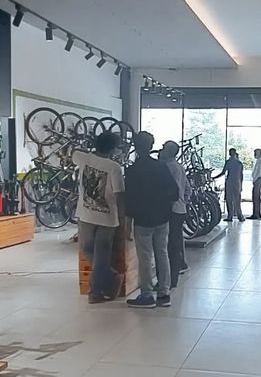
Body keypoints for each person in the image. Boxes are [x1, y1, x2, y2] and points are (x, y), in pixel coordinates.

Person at [125, 131, 178, 308]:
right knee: (162, 253)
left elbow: (130, 199)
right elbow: (174, 192)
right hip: (162, 218)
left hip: (143, 220)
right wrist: (165, 207)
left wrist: (128, 224)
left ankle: (147, 295)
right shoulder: (161, 167)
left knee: (145, 257)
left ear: (135, 147)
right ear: (152, 145)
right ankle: (164, 293)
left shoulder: (133, 171)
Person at [73, 132, 124, 304]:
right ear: (113, 149)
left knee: (89, 250)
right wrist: (123, 218)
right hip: (107, 219)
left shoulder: (83, 158)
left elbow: (74, 151)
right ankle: (111, 277)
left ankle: (95, 292)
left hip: (86, 215)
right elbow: (119, 195)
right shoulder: (114, 167)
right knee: (100, 254)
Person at [160, 140, 191, 288]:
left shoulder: (167, 167)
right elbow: (188, 189)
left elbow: (168, 189)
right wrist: (183, 201)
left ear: (168, 151)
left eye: (164, 148)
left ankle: (170, 279)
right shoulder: (179, 167)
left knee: (169, 245)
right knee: (177, 241)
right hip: (180, 209)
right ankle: (181, 265)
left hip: (171, 210)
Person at [214, 148, 244, 222]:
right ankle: (240, 216)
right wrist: (241, 185)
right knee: (237, 200)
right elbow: (241, 175)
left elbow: (223, 172)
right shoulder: (239, 163)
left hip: (229, 182)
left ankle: (230, 216)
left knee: (229, 200)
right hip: (237, 183)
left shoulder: (228, 162)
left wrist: (214, 177)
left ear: (230, 154)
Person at [248, 148, 261, 219]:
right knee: (257, 197)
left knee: (255, 197)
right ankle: (258, 213)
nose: (254, 154)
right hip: (258, 179)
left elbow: (258, 172)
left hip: (257, 179)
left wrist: (255, 179)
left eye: (256, 153)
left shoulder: (260, 161)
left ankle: (256, 214)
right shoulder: (258, 161)